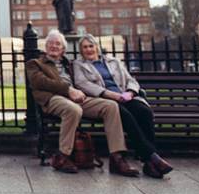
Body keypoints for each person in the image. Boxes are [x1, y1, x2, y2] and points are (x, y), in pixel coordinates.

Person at [26, 29, 139, 176]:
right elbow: (40, 82)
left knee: (111, 106)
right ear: (46, 46)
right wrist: (68, 90)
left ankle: (117, 157)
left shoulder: (69, 64)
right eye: (51, 43)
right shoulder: (35, 63)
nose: (54, 46)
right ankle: (63, 156)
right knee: (73, 109)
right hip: (52, 98)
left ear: (63, 49)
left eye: (58, 44)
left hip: (76, 98)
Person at [73, 34, 174, 178]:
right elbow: (82, 84)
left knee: (144, 111)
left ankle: (149, 163)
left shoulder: (114, 61)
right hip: (106, 100)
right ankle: (151, 158)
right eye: (85, 47)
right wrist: (110, 94)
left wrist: (131, 92)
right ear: (81, 50)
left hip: (125, 97)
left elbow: (130, 79)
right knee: (125, 115)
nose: (89, 50)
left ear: (97, 47)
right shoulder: (79, 65)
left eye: (91, 46)